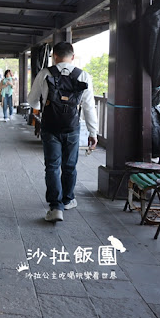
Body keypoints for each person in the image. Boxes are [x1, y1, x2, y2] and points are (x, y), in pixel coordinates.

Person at [27, 42, 98, 223]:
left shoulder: (45, 74)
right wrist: (93, 132)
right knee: (70, 166)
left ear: (54, 56)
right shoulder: (83, 75)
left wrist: (41, 107)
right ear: (72, 57)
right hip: (72, 127)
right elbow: (89, 107)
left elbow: (32, 101)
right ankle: (67, 200)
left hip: (50, 126)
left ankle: (55, 207)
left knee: (52, 166)